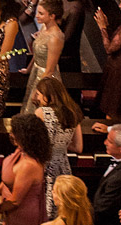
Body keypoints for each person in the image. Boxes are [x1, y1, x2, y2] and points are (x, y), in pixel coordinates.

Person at [32, 77, 84, 216]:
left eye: (39, 94)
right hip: (63, 166)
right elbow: (78, 147)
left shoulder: (42, 112)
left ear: (47, 95)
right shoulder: (73, 112)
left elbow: (35, 143)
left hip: (44, 165)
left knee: (44, 209)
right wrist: (61, 144)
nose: (38, 97)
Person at [21, 0, 64, 112]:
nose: (36, 16)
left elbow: (50, 70)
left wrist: (38, 90)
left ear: (52, 16)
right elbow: (37, 53)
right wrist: (28, 69)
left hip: (45, 79)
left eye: (41, 13)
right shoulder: (44, 27)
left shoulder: (55, 37)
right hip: (36, 72)